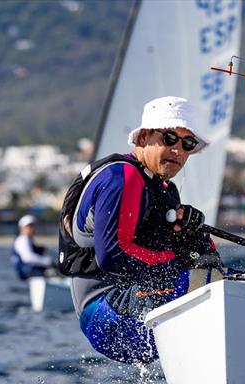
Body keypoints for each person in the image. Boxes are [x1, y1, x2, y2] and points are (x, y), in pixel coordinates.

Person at [65, 96, 222, 364]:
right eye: (169, 138)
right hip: (104, 316)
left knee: (213, 269)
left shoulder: (164, 189)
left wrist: (190, 235)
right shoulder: (122, 177)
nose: (178, 150)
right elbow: (114, 255)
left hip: (129, 305)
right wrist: (176, 263)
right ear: (142, 138)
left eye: (187, 144)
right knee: (207, 284)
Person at [11, 214, 52, 279]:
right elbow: (28, 258)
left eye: (33, 226)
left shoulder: (28, 240)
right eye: (29, 226)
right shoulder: (23, 239)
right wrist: (47, 261)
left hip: (31, 272)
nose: (32, 228)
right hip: (29, 273)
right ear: (21, 228)